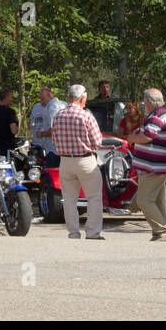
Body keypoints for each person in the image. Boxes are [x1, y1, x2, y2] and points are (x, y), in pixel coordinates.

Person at [51, 84, 104, 239]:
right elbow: (98, 141)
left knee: (69, 199)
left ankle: (73, 232)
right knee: (94, 197)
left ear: (69, 98)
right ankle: (93, 232)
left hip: (65, 161)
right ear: (82, 98)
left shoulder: (58, 116)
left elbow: (54, 140)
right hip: (85, 160)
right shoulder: (86, 116)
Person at [126, 88, 166, 241]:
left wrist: (132, 138)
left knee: (144, 200)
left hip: (154, 167)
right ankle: (162, 232)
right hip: (156, 165)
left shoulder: (157, 116)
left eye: (144, 101)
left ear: (149, 101)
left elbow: (147, 135)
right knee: (157, 200)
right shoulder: (157, 115)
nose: (143, 104)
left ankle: (162, 230)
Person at [30, 85, 65, 163]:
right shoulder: (64, 104)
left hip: (54, 150)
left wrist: (42, 134)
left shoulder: (53, 107)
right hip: (58, 148)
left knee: (50, 174)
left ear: (50, 95)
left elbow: (54, 130)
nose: (41, 101)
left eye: (43, 98)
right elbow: (32, 123)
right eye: (40, 99)